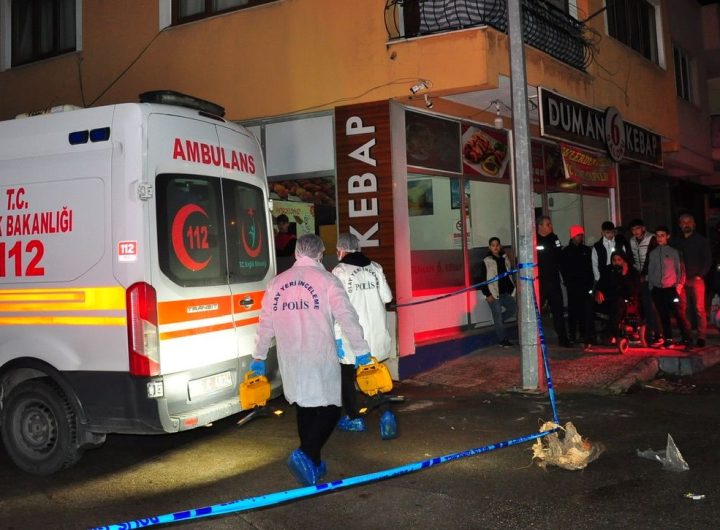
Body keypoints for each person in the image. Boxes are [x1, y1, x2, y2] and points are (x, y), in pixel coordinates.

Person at [250, 234, 372, 486]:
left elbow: (265, 325)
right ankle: (305, 453)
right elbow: (347, 317)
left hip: (291, 358)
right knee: (331, 408)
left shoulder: (276, 283)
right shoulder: (327, 280)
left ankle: (312, 465)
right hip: (319, 356)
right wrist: (361, 350)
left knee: (304, 407)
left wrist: (259, 357)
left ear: (296, 253)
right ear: (320, 254)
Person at [332, 233, 396, 439]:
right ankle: (386, 413)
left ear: (341, 250)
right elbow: (387, 297)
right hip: (377, 333)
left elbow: (336, 308)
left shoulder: (340, 271)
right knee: (375, 374)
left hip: (353, 337)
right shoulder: (375, 267)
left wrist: (336, 337)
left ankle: (354, 418)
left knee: (347, 377)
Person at [647, 226, 692, 349]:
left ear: (667, 236)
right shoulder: (653, 253)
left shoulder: (674, 252)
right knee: (663, 315)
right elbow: (651, 271)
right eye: (657, 235)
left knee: (678, 314)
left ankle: (687, 339)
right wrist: (651, 287)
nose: (659, 238)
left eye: (662, 235)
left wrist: (678, 287)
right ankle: (668, 339)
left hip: (671, 288)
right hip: (657, 289)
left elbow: (681, 271)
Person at [672, 213, 712, 348]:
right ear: (680, 225)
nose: (686, 224)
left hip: (697, 279)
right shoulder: (676, 242)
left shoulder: (701, 241)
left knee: (699, 309)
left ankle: (701, 336)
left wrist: (700, 275)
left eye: (689, 222)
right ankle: (687, 335)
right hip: (681, 280)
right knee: (683, 308)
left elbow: (707, 260)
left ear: (694, 224)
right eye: (684, 222)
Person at [536, 215, 571, 347]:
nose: (551, 226)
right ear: (540, 226)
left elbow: (560, 258)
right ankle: (535, 340)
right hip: (539, 282)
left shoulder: (554, 238)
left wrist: (565, 277)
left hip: (553, 281)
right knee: (536, 311)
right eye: (548, 224)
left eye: (550, 224)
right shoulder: (534, 240)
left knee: (558, 310)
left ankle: (563, 339)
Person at [593, 250, 640, 344]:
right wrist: (598, 291)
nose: (616, 262)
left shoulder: (632, 271)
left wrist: (624, 275)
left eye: (619, 260)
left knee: (617, 303)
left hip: (625, 299)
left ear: (624, 260)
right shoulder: (608, 270)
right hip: (609, 298)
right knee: (589, 302)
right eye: (614, 260)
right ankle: (589, 336)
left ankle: (613, 334)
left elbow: (633, 290)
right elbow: (600, 284)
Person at [478, 237, 517, 347]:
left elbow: (509, 275)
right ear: (489, 247)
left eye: (497, 245)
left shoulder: (505, 258)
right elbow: (482, 279)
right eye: (493, 245)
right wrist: (488, 294)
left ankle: (498, 322)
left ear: (500, 246)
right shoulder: (486, 261)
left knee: (513, 309)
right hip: (493, 294)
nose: (495, 247)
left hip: (505, 293)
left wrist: (512, 289)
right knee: (498, 317)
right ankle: (503, 340)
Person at [560, 225, 595, 350]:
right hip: (573, 286)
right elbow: (564, 268)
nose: (580, 237)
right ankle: (572, 334)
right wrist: (567, 282)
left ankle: (584, 334)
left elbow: (590, 267)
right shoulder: (567, 251)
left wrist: (590, 283)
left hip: (584, 285)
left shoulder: (586, 250)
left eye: (581, 235)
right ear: (573, 236)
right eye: (578, 235)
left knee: (584, 310)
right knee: (573, 310)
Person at [628, 218, 660, 345]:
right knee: (639, 305)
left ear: (643, 228)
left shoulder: (651, 238)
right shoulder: (631, 241)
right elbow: (632, 258)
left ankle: (656, 333)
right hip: (639, 277)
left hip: (650, 276)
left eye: (637, 228)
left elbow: (651, 258)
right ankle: (643, 332)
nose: (635, 231)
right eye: (633, 229)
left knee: (650, 305)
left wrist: (644, 273)